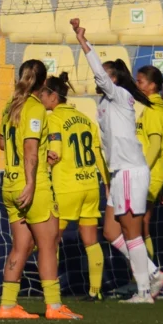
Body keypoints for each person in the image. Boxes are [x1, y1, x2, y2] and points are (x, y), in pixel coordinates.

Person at [70, 19, 163, 303]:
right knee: (112, 230)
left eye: (104, 75)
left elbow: (100, 75)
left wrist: (82, 41)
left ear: (112, 79)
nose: (97, 79)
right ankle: (152, 274)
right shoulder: (105, 103)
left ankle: (144, 290)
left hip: (129, 171)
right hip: (118, 173)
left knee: (131, 232)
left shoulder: (120, 95)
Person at [0, 59, 81, 321]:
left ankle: (7, 305)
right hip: (32, 186)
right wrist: (32, 182)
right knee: (48, 243)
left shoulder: (10, 106)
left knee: (21, 245)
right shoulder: (34, 108)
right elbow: (30, 148)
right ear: (43, 83)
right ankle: (54, 305)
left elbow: (3, 143)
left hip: (10, 183)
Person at [39, 72, 106, 302]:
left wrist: (42, 167)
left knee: (51, 240)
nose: (41, 98)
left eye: (43, 94)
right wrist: (106, 183)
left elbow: (55, 152)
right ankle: (95, 292)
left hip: (67, 187)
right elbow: (98, 155)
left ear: (53, 97)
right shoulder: (85, 120)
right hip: (90, 185)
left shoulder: (54, 119)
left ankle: (52, 292)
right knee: (91, 241)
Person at [135, 65, 163, 263]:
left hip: (148, 172)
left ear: (152, 85)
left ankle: (146, 274)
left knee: (139, 226)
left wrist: (141, 171)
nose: (137, 85)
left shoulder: (153, 109)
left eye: (140, 82)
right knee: (141, 225)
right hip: (153, 173)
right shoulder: (156, 107)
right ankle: (145, 273)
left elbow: (154, 146)